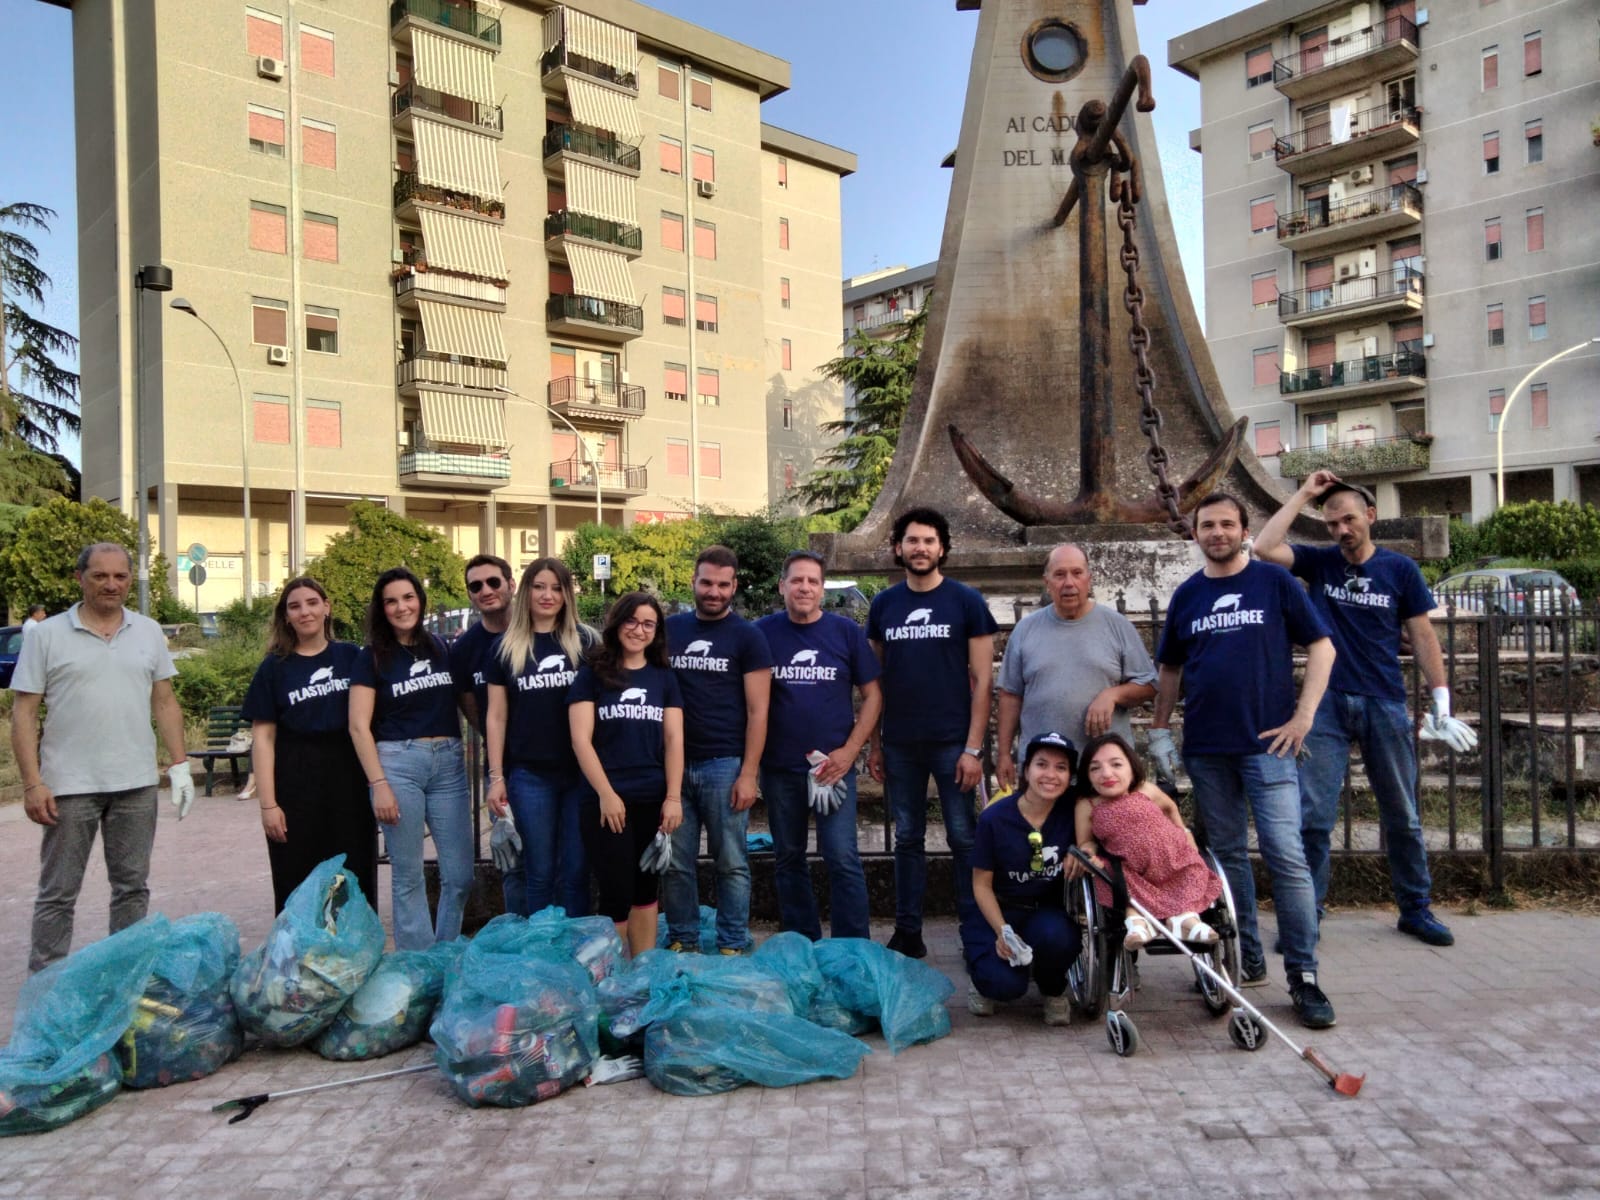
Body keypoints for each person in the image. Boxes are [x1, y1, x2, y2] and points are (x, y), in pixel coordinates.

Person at [1252, 470, 1473, 947]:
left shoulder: (1399, 569)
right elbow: (1265, 548)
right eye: (1332, 524)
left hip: (1384, 700)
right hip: (1326, 702)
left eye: (1349, 520)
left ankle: (1415, 907)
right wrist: (1305, 494)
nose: (1341, 530)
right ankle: (1307, 913)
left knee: (1402, 813)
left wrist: (1441, 699)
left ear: (1370, 516)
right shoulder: (1321, 563)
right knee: (1313, 817)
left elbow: (1422, 635)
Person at [1151, 492, 1338, 1029]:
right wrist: (1160, 729)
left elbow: (1322, 647)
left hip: (1269, 748)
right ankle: (1247, 957)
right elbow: (1170, 669)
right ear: (1195, 534)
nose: (1217, 533)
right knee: (1227, 858)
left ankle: (1303, 976)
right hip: (1208, 749)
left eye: (1226, 524)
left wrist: (1304, 717)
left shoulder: (1274, 582)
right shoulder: (1188, 595)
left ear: (1243, 530)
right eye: (1207, 525)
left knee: (1287, 857)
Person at [10, 543, 194, 973]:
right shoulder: (47, 635)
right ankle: (46, 984)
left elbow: (164, 701)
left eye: (120, 576)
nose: (111, 584)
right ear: (80, 579)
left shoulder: (147, 631)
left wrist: (181, 765)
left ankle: (124, 980)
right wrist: (32, 782)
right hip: (68, 787)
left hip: (136, 784)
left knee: (132, 889)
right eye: (100, 576)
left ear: (129, 580)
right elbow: (24, 713)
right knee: (58, 893)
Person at [866, 507, 997, 959]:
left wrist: (973, 749)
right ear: (898, 548)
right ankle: (908, 931)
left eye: (928, 541)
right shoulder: (884, 605)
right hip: (901, 743)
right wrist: (875, 744)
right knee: (907, 838)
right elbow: (875, 683)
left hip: (953, 742)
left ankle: (973, 928)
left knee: (963, 837)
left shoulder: (966, 602)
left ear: (942, 549)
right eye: (912, 540)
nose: (920, 548)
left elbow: (983, 681)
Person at [757, 551, 882, 941]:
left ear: (822, 590)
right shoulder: (761, 632)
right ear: (782, 586)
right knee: (788, 857)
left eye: (813, 581)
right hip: (780, 767)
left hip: (833, 767)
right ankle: (801, 941)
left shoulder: (845, 632)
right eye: (797, 580)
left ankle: (852, 946)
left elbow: (873, 696)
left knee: (842, 856)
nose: (804, 588)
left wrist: (851, 751)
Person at [349, 567, 473, 949]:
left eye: (408, 597)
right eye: (391, 601)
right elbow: (358, 725)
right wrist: (379, 784)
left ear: (420, 600)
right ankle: (417, 965)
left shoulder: (441, 648)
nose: (402, 607)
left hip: (448, 763)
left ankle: (444, 952)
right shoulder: (372, 657)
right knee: (408, 876)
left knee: (460, 875)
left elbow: (468, 705)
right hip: (398, 765)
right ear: (382, 608)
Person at [241, 576, 377, 913]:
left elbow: (369, 721)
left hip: (349, 785)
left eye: (312, 603)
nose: (305, 612)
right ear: (286, 617)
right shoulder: (274, 667)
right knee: (297, 878)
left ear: (327, 607)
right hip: (296, 787)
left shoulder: (351, 656)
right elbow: (263, 738)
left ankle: (351, 942)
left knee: (352, 876)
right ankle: (302, 944)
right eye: (295, 606)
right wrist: (268, 805)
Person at [662, 546, 771, 954]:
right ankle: (683, 937)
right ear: (693, 581)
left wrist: (749, 773)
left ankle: (732, 941)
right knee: (676, 861)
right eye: (706, 582)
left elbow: (758, 711)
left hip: (724, 764)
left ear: (734, 586)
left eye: (723, 585)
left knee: (732, 861)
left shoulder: (748, 636)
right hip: (672, 765)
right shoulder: (669, 630)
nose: (714, 591)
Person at [568, 592, 684, 957]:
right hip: (607, 801)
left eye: (648, 624)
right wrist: (606, 794)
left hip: (652, 796)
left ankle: (642, 969)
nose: (639, 630)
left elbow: (674, 739)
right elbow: (580, 739)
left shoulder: (663, 677)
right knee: (616, 890)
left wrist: (673, 797)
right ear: (617, 624)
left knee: (646, 888)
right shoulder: (592, 674)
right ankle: (613, 973)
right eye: (632, 621)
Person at [484, 558, 595, 918]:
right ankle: (542, 945)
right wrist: (496, 777)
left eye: (557, 588)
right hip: (530, 775)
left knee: (576, 870)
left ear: (567, 595)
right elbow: (496, 716)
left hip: (580, 775)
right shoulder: (505, 648)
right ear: (526, 591)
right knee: (540, 871)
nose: (548, 595)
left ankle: (576, 945)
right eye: (540, 587)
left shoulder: (585, 642)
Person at [996, 543, 1156, 791]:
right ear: (1047, 582)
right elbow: (1010, 695)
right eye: (1059, 575)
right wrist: (1004, 753)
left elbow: (1149, 685)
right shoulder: (1025, 630)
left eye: (1077, 573)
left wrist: (1113, 694)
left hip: (1104, 773)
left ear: (1089, 579)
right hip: (1045, 774)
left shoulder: (1117, 626)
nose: (1069, 583)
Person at [965, 732, 1082, 1026]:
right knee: (1004, 985)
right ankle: (983, 974)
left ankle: (1053, 989)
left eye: (1061, 768)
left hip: (1045, 909)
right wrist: (1002, 930)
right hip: (999, 909)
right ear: (1026, 770)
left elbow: (1130, 790)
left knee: (1059, 937)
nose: (1050, 775)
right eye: (1042, 765)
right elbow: (981, 885)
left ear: (1070, 776)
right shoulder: (995, 818)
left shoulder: (1074, 811)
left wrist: (1086, 850)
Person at [1072, 733, 1221, 951]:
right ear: (1087, 775)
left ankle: (1185, 919)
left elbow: (1170, 807)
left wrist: (1183, 830)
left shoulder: (1145, 789)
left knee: (1193, 870)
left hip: (1175, 861)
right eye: (1095, 768)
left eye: (1116, 764)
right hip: (1129, 870)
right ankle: (1138, 922)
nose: (1106, 774)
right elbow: (1086, 841)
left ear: (1131, 767)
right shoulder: (1088, 804)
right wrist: (1088, 854)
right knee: (1116, 881)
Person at [448, 553, 523, 915]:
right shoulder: (464, 649)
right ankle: (519, 935)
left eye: (494, 582)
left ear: (511, 584)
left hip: (551, 764)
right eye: (476, 586)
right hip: (502, 768)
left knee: (558, 859)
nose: (486, 590)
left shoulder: (536, 631)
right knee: (512, 861)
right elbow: (472, 709)